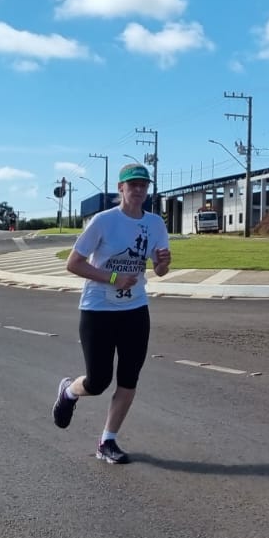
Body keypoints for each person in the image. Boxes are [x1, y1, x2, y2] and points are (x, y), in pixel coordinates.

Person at [50, 164, 171, 464]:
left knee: (129, 377)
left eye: (144, 185)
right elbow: (73, 264)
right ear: (121, 189)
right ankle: (68, 391)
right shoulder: (103, 221)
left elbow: (158, 269)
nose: (139, 190)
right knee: (99, 380)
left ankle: (107, 441)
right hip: (98, 308)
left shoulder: (155, 223)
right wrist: (113, 278)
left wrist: (163, 264)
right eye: (133, 185)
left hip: (135, 308)